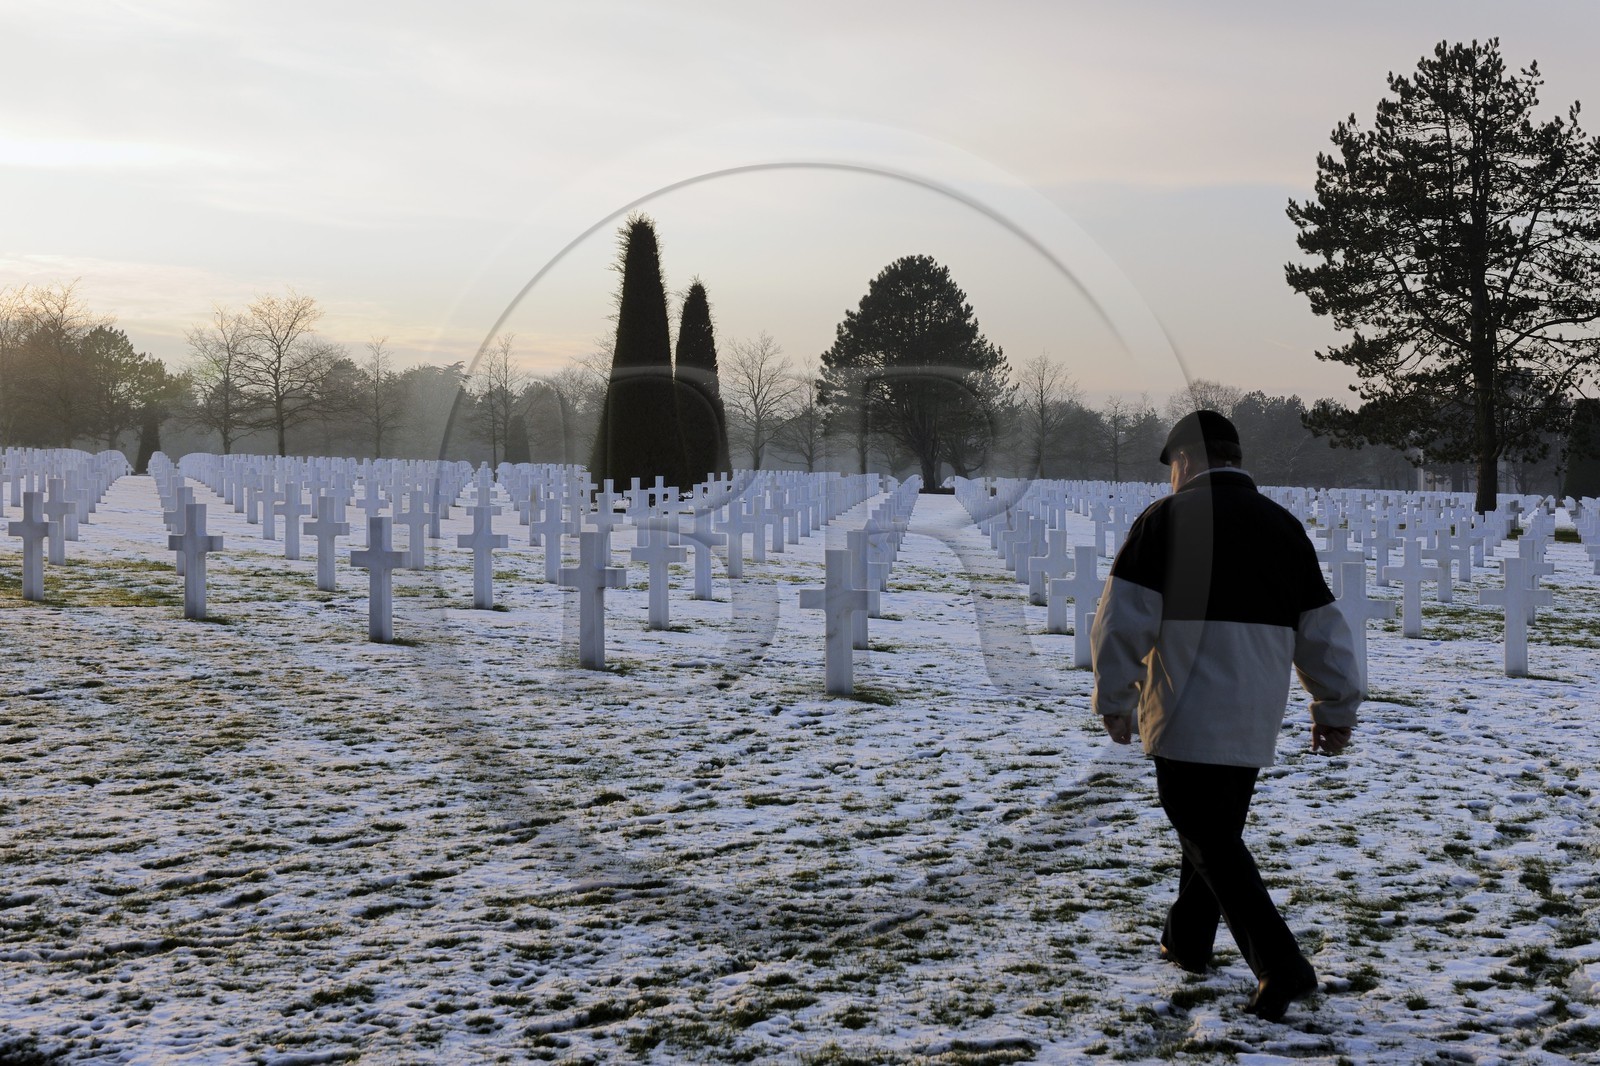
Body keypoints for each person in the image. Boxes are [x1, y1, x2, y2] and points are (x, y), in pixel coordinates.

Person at [1090, 409, 1361, 1023]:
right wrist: (1335, 704)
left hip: (1185, 711)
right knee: (1214, 833)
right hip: (1254, 713)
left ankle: (1280, 964)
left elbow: (1122, 619)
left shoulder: (1165, 520)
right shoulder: (1283, 526)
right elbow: (1321, 629)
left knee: (1208, 838)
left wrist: (1115, 697)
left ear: (1185, 460)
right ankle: (1187, 941)